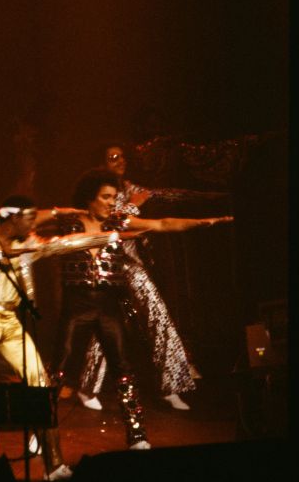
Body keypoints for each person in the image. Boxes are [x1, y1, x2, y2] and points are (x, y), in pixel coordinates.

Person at [51, 169, 232, 450]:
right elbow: (33, 228)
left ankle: (137, 436)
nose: (113, 202)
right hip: (77, 305)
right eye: (106, 197)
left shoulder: (117, 221)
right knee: (59, 371)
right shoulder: (68, 223)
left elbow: (162, 224)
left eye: (114, 197)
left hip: (106, 304)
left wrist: (205, 222)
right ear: (89, 199)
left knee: (124, 370)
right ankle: (41, 432)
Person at [74, 143, 229, 411]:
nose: (120, 161)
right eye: (113, 157)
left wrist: (211, 198)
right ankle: (87, 388)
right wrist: (133, 207)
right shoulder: (99, 194)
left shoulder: (134, 190)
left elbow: (170, 196)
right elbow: (113, 221)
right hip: (104, 267)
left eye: (122, 156)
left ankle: (173, 386)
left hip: (131, 265)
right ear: (103, 164)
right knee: (105, 324)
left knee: (158, 316)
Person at [0, 196, 98, 481]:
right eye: (29, 218)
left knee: (40, 385)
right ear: (13, 217)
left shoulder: (27, 240)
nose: (34, 224)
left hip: (11, 321)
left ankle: (53, 466)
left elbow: (61, 244)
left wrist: (108, 236)